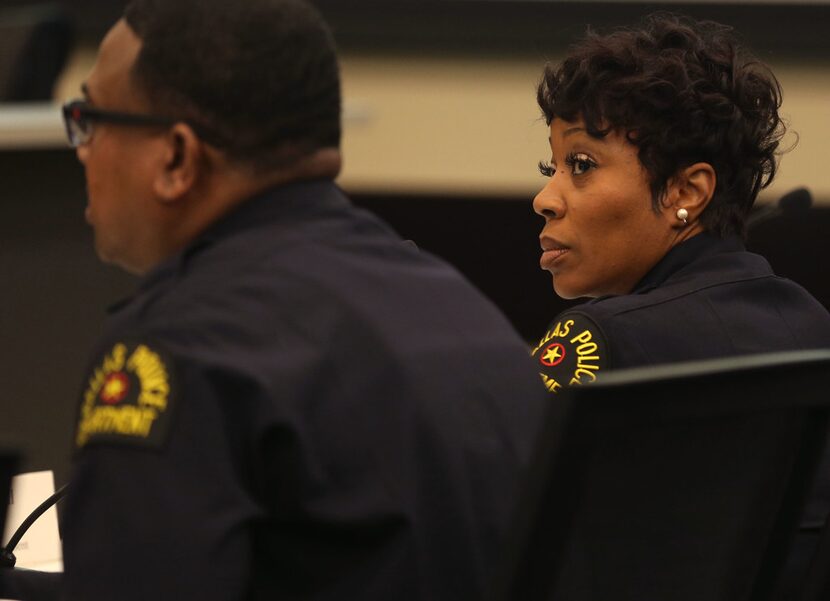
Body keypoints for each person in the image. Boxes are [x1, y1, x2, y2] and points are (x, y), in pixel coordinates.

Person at [53, 1, 546, 599]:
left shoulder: (178, 347)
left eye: (91, 118)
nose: (82, 149)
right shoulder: (452, 304)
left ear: (177, 158)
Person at [527, 13, 830, 597]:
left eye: (581, 166)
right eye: (552, 167)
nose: (546, 197)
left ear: (686, 192)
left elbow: (498, 529)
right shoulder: (815, 328)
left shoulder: (597, 339)